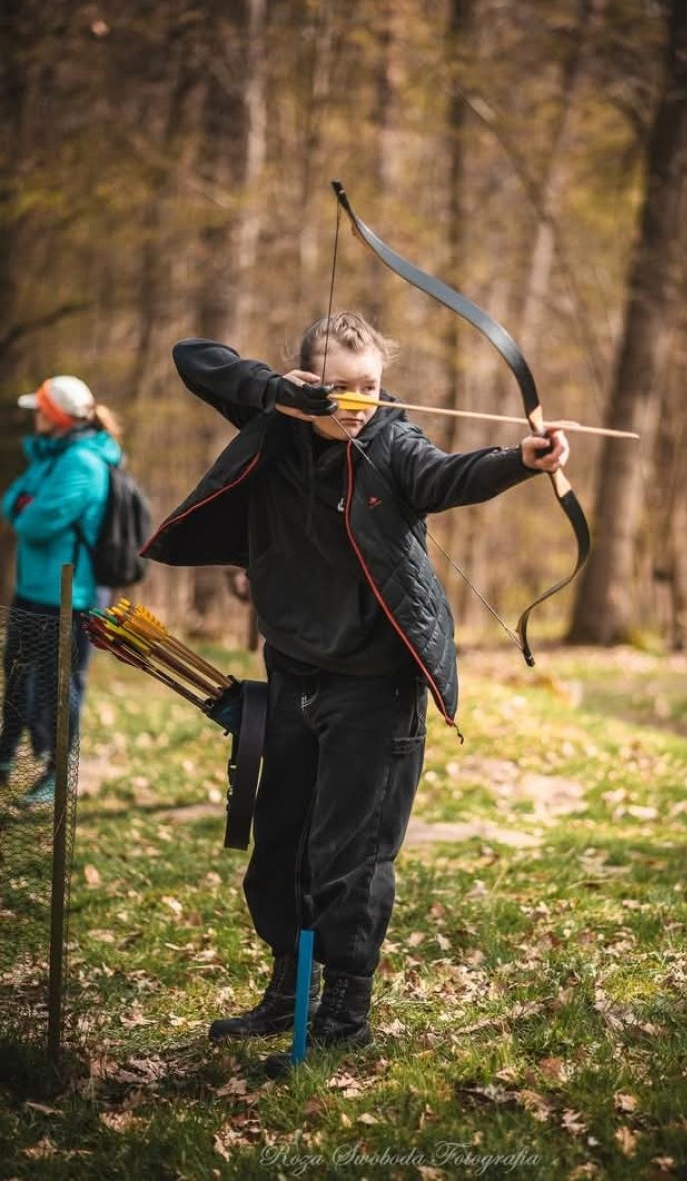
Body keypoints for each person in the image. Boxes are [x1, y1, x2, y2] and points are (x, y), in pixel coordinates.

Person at [143, 312, 569, 1051]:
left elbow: (445, 477)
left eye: (369, 386)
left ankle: (345, 1012)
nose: (356, 403)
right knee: (280, 846)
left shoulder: (390, 442)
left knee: (349, 853)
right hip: (295, 669)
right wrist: (279, 394)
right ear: (305, 381)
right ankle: (288, 989)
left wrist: (519, 460)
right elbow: (193, 357)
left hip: (375, 682)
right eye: (338, 389)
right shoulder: (274, 421)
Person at [0, 375, 122, 804]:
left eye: (40, 410)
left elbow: (34, 521)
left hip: (72, 596)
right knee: (15, 674)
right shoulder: (51, 456)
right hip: (34, 589)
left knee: (61, 685)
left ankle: (57, 773)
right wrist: (21, 504)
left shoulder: (82, 463)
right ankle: (4, 757)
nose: (34, 416)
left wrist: (22, 506)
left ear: (55, 416)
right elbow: (10, 500)